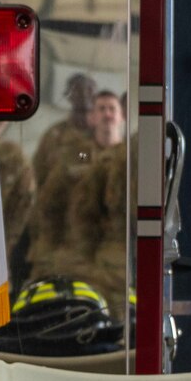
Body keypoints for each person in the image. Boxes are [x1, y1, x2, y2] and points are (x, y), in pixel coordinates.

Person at [26, 90, 129, 317]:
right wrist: (48, 255)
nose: (107, 114)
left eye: (112, 109)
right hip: (75, 254)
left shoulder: (130, 159)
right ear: (92, 118)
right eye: (101, 109)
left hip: (116, 256)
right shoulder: (75, 156)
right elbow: (48, 207)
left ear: (122, 116)